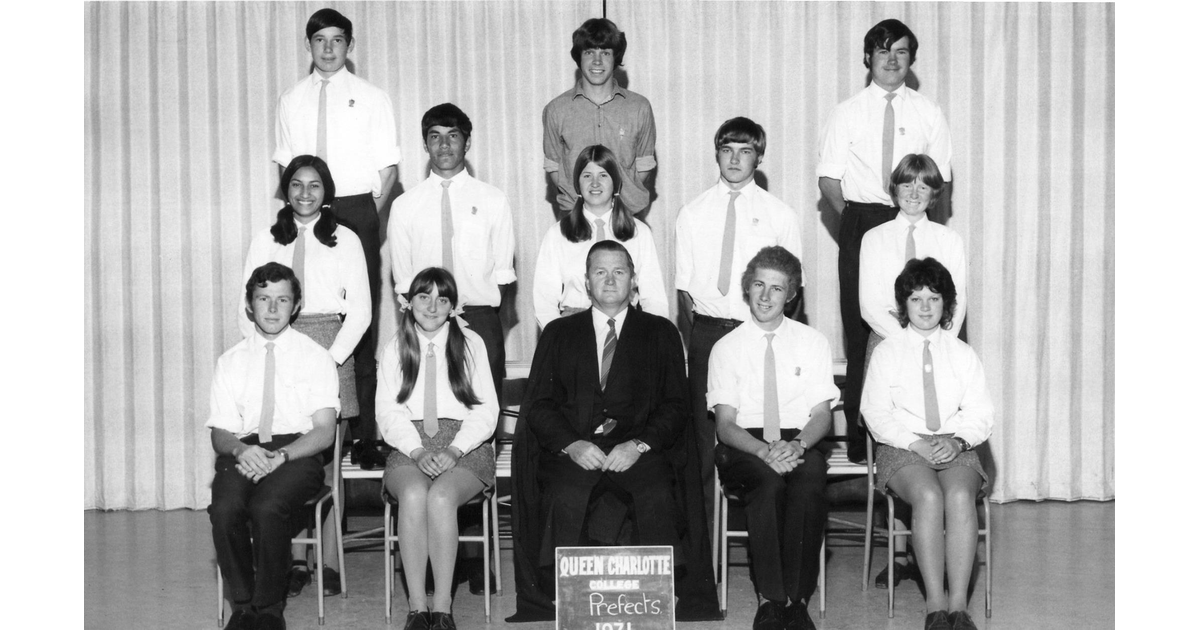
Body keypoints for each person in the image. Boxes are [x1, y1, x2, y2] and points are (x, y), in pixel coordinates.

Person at [509, 241, 720, 622]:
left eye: (619, 271)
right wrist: (572, 444)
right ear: (586, 282)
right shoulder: (558, 333)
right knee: (564, 490)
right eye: (600, 272)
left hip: (639, 451)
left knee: (655, 489)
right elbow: (538, 405)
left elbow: (676, 406)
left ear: (634, 280)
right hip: (575, 451)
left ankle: (656, 603)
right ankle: (566, 603)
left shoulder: (661, 333)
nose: (609, 280)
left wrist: (638, 445)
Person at [816, 18, 952, 465]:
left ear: (912, 60)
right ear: (867, 58)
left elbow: (940, 179)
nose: (891, 60)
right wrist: (860, 224)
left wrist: (910, 216)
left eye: (901, 52)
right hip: (863, 218)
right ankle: (862, 441)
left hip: (915, 215)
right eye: (882, 51)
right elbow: (829, 180)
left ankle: (924, 431)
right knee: (863, 332)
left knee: (929, 318)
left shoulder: (928, 111)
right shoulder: (847, 110)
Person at [275, 7, 401, 470]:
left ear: (349, 46)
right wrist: (303, 206)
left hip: (352, 206)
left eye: (337, 40)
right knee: (297, 306)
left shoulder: (372, 97)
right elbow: (285, 166)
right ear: (308, 45)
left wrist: (362, 217)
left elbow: (388, 170)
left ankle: (365, 435)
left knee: (359, 321)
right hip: (303, 204)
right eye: (319, 40)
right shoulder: (291, 99)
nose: (328, 49)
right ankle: (296, 423)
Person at [240, 154, 369, 596]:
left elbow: (362, 311)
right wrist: (263, 355)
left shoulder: (346, 239)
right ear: (286, 188)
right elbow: (249, 306)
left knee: (327, 461)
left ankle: (329, 562)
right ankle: (294, 561)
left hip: (330, 341)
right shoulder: (265, 239)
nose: (305, 193)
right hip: (278, 341)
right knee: (285, 454)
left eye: (315, 185)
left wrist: (328, 360)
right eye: (297, 184)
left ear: (326, 191)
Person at [675, 117, 804, 523]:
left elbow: (793, 287)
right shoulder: (692, 212)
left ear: (759, 157)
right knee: (702, 437)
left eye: (745, 151)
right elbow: (683, 291)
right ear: (716, 153)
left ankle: (764, 522)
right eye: (727, 150)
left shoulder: (779, 214)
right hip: (708, 332)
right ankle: (703, 539)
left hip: (757, 333)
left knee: (759, 426)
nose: (735, 159)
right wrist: (696, 338)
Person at [708, 247, 838, 630]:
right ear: (747, 288)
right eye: (759, 285)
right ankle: (769, 599)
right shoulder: (726, 348)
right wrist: (764, 451)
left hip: (798, 440)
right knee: (766, 484)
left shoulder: (813, 342)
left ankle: (796, 601)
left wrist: (797, 445)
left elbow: (821, 414)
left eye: (777, 289)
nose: (766, 296)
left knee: (809, 481)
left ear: (791, 295)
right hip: (743, 445)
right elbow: (725, 425)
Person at [861, 258, 993, 630]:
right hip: (901, 446)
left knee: (958, 496)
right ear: (903, 305)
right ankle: (934, 605)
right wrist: (913, 443)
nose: (924, 306)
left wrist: (960, 440)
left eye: (933, 298)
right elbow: (874, 412)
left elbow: (981, 412)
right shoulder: (887, 351)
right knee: (929, 497)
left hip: (955, 444)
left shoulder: (962, 353)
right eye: (916, 298)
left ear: (947, 305)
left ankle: (958, 606)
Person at [208, 262, 339, 630]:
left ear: (296, 306)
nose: (271, 308)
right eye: (263, 298)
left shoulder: (316, 357)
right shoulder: (230, 361)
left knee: (268, 506)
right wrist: (240, 450)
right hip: (245, 448)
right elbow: (220, 432)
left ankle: (269, 610)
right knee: (225, 508)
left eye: (282, 300)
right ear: (249, 304)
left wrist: (281, 456)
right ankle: (244, 605)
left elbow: (325, 431)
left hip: (296, 452)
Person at [377, 267, 499, 630]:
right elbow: (387, 412)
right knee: (414, 494)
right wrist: (415, 451)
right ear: (408, 301)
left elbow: (486, 411)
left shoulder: (471, 343)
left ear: (453, 306)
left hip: (466, 443)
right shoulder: (394, 346)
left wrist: (456, 450)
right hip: (409, 443)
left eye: (442, 299)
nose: (432, 307)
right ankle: (417, 608)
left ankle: (443, 608)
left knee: (442, 498)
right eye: (423, 297)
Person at [388, 103, 516, 397]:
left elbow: (504, 274)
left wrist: (483, 313)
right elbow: (403, 276)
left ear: (467, 142)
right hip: (425, 317)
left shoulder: (493, 199)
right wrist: (428, 313)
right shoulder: (405, 205)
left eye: (453, 136)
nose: (444, 145)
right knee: (427, 399)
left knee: (483, 401)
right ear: (425, 144)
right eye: (435, 137)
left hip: (479, 316)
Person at [532, 144, 669, 329]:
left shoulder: (639, 232)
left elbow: (654, 298)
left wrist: (650, 337)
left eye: (603, 175)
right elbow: (544, 301)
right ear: (577, 183)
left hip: (627, 325)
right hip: (574, 326)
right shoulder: (557, 234)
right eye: (587, 176)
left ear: (616, 182)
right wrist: (560, 340)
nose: (595, 183)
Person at [543, 18, 656, 216]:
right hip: (575, 218)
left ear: (616, 58)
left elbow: (644, 164)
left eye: (605, 52)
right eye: (589, 52)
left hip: (626, 216)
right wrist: (581, 204)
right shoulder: (556, 109)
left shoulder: (639, 107)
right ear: (579, 57)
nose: (597, 61)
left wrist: (621, 200)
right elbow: (553, 167)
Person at [860, 154, 966, 343]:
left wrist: (942, 341)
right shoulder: (874, 239)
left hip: (939, 338)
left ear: (933, 193)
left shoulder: (950, 240)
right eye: (907, 185)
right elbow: (870, 306)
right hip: (887, 338)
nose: (914, 194)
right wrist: (907, 341)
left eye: (923, 188)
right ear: (895, 188)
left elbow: (957, 301)